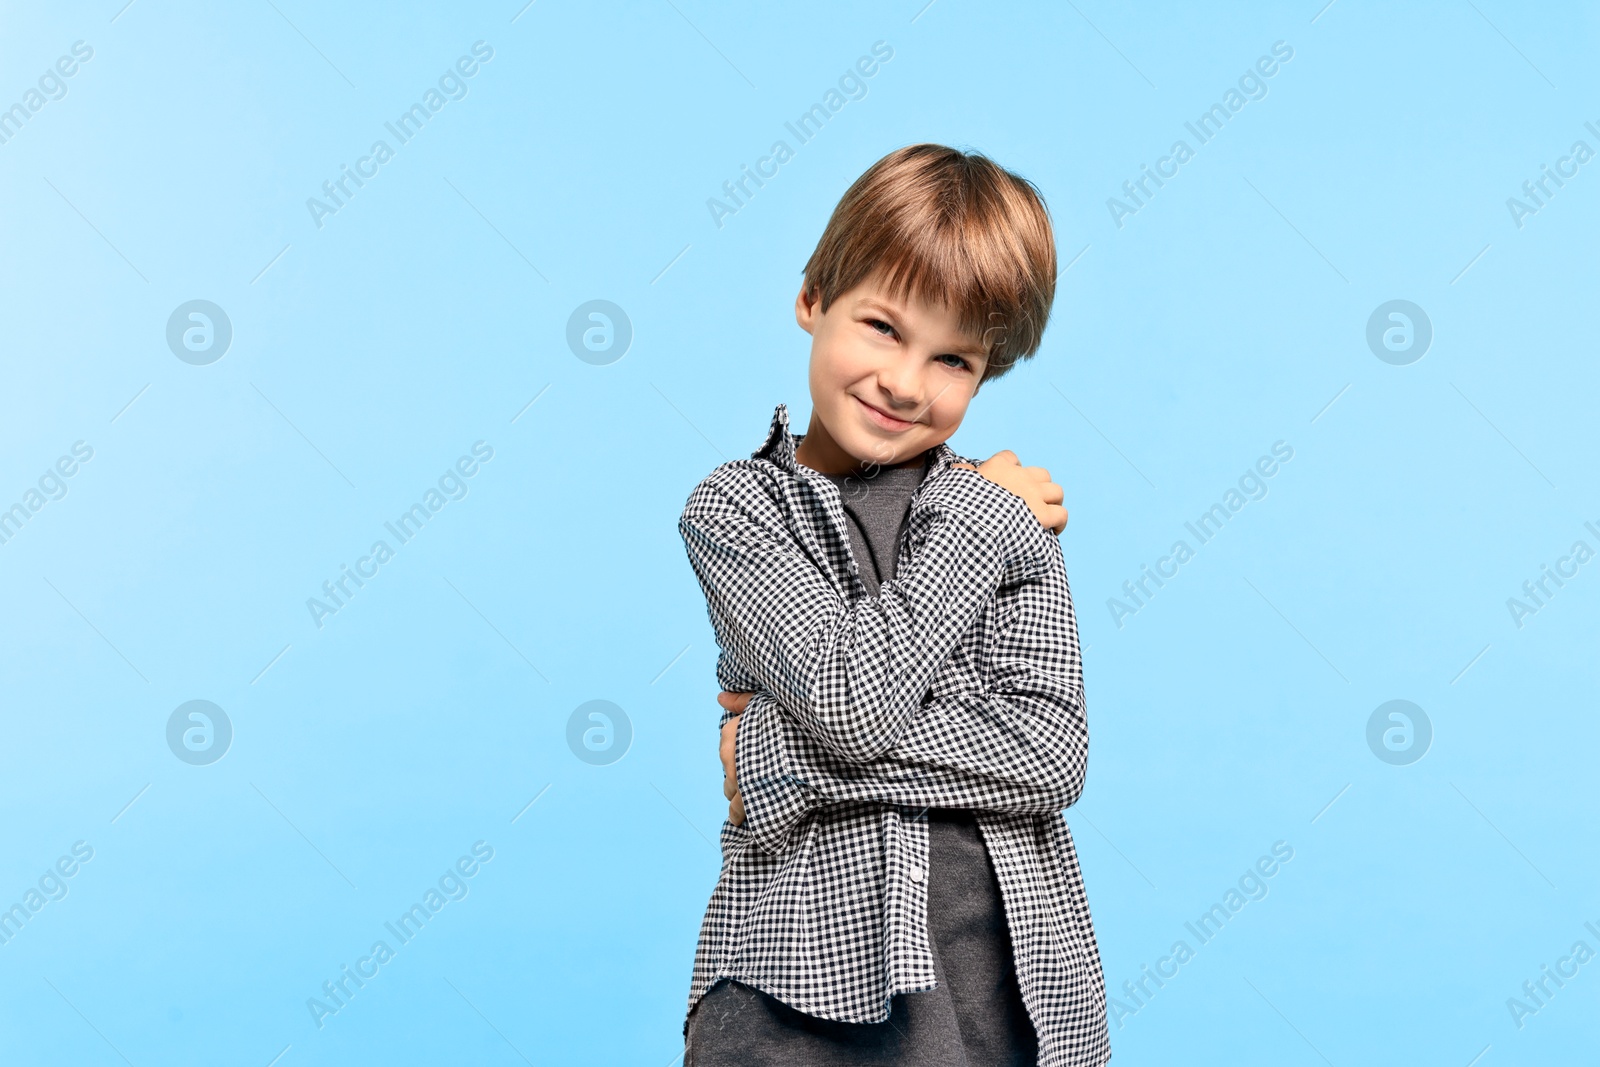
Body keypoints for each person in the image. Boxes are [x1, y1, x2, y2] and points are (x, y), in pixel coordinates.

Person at [677, 143, 1109, 1066]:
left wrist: (770, 753)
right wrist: (980, 528)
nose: (906, 382)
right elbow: (849, 697)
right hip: (790, 999)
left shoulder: (1006, 516)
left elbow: (1048, 756)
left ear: (986, 372)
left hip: (998, 992)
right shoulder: (738, 508)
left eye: (951, 357)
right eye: (881, 326)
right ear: (811, 300)